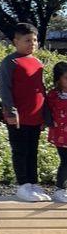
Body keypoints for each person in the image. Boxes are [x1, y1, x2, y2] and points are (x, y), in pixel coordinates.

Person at [0, 22, 49, 202]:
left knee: (32, 151)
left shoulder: (37, 62)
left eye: (35, 40)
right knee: (20, 150)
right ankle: (23, 185)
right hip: (18, 116)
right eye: (27, 40)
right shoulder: (10, 62)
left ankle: (33, 183)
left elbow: (40, 89)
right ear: (15, 41)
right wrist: (11, 112)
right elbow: (5, 88)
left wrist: (45, 114)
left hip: (36, 116)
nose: (32, 44)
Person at [44, 62, 67, 204]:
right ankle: (60, 189)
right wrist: (49, 124)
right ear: (58, 79)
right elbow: (47, 112)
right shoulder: (53, 95)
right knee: (65, 161)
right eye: (66, 77)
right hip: (61, 135)